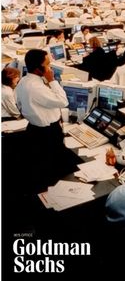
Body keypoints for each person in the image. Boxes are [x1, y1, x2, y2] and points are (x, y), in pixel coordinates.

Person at [15, 49, 80, 192]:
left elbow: (18, 104)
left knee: (43, 166)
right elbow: (63, 102)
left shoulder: (23, 81)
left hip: (34, 129)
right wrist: (52, 80)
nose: (50, 68)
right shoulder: (37, 87)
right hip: (48, 134)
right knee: (54, 171)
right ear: (39, 69)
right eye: (48, 64)